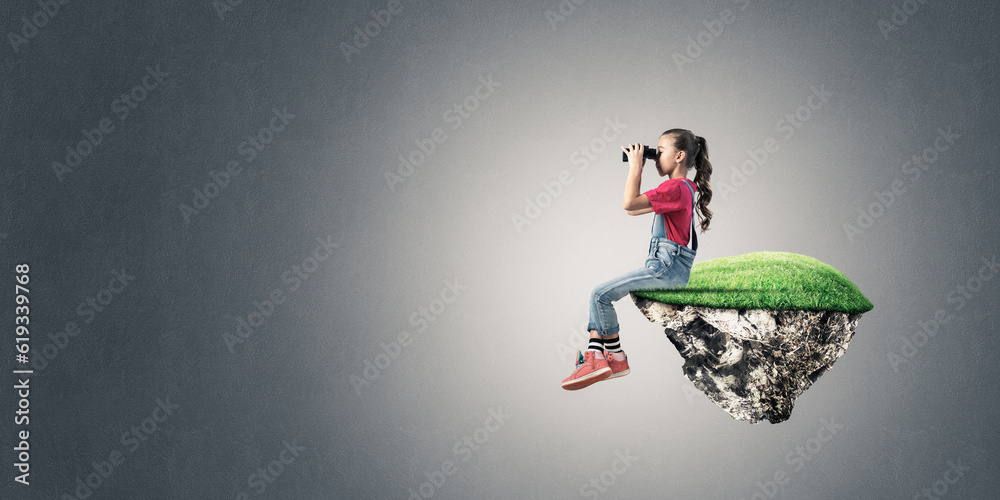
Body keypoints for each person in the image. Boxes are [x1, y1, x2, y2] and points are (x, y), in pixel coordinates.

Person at [561, 129, 714, 390]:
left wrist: (635, 167)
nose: (655, 157)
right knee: (601, 296)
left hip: (665, 268)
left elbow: (628, 203)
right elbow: (636, 210)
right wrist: (641, 166)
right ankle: (609, 358)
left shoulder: (675, 186)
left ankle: (606, 357)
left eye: (659, 151)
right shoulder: (686, 187)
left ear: (679, 156)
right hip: (669, 267)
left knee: (599, 294)